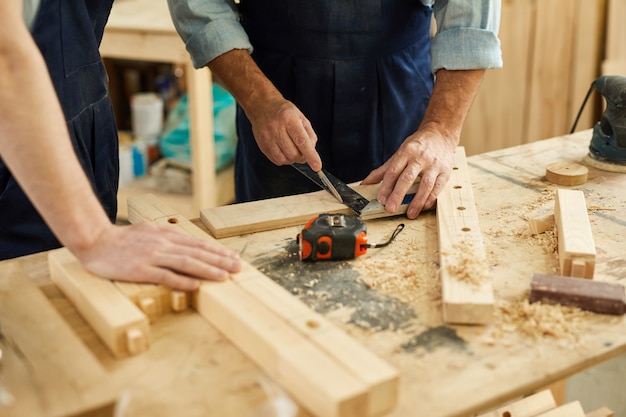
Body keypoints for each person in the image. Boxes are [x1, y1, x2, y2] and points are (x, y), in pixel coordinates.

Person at [168, 0, 502, 219]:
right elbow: (200, 5)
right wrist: (259, 100)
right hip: (272, 87)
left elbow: (469, 14)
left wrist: (441, 129)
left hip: (399, 87)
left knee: (402, 241)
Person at [0, 0, 241, 290]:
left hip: (86, 118)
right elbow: (5, 61)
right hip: (20, 141)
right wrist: (94, 236)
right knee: (28, 310)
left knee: (84, 296)